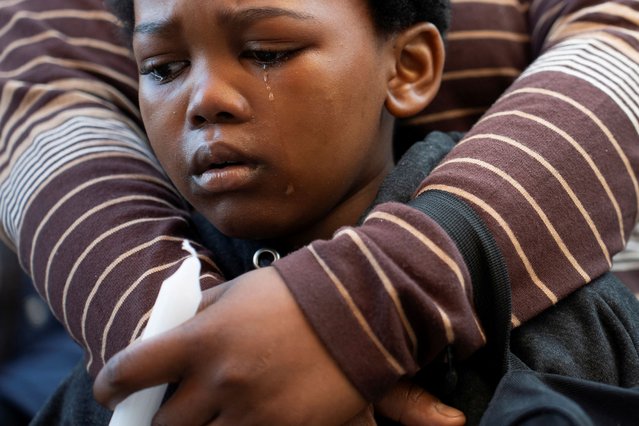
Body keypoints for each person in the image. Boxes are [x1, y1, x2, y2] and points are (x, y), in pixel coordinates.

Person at [0, 0, 637, 423]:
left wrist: (366, 301)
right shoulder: (126, 369)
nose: (205, 99)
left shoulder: (564, 320)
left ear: (409, 67)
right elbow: (43, 109)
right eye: (163, 68)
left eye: (267, 53)